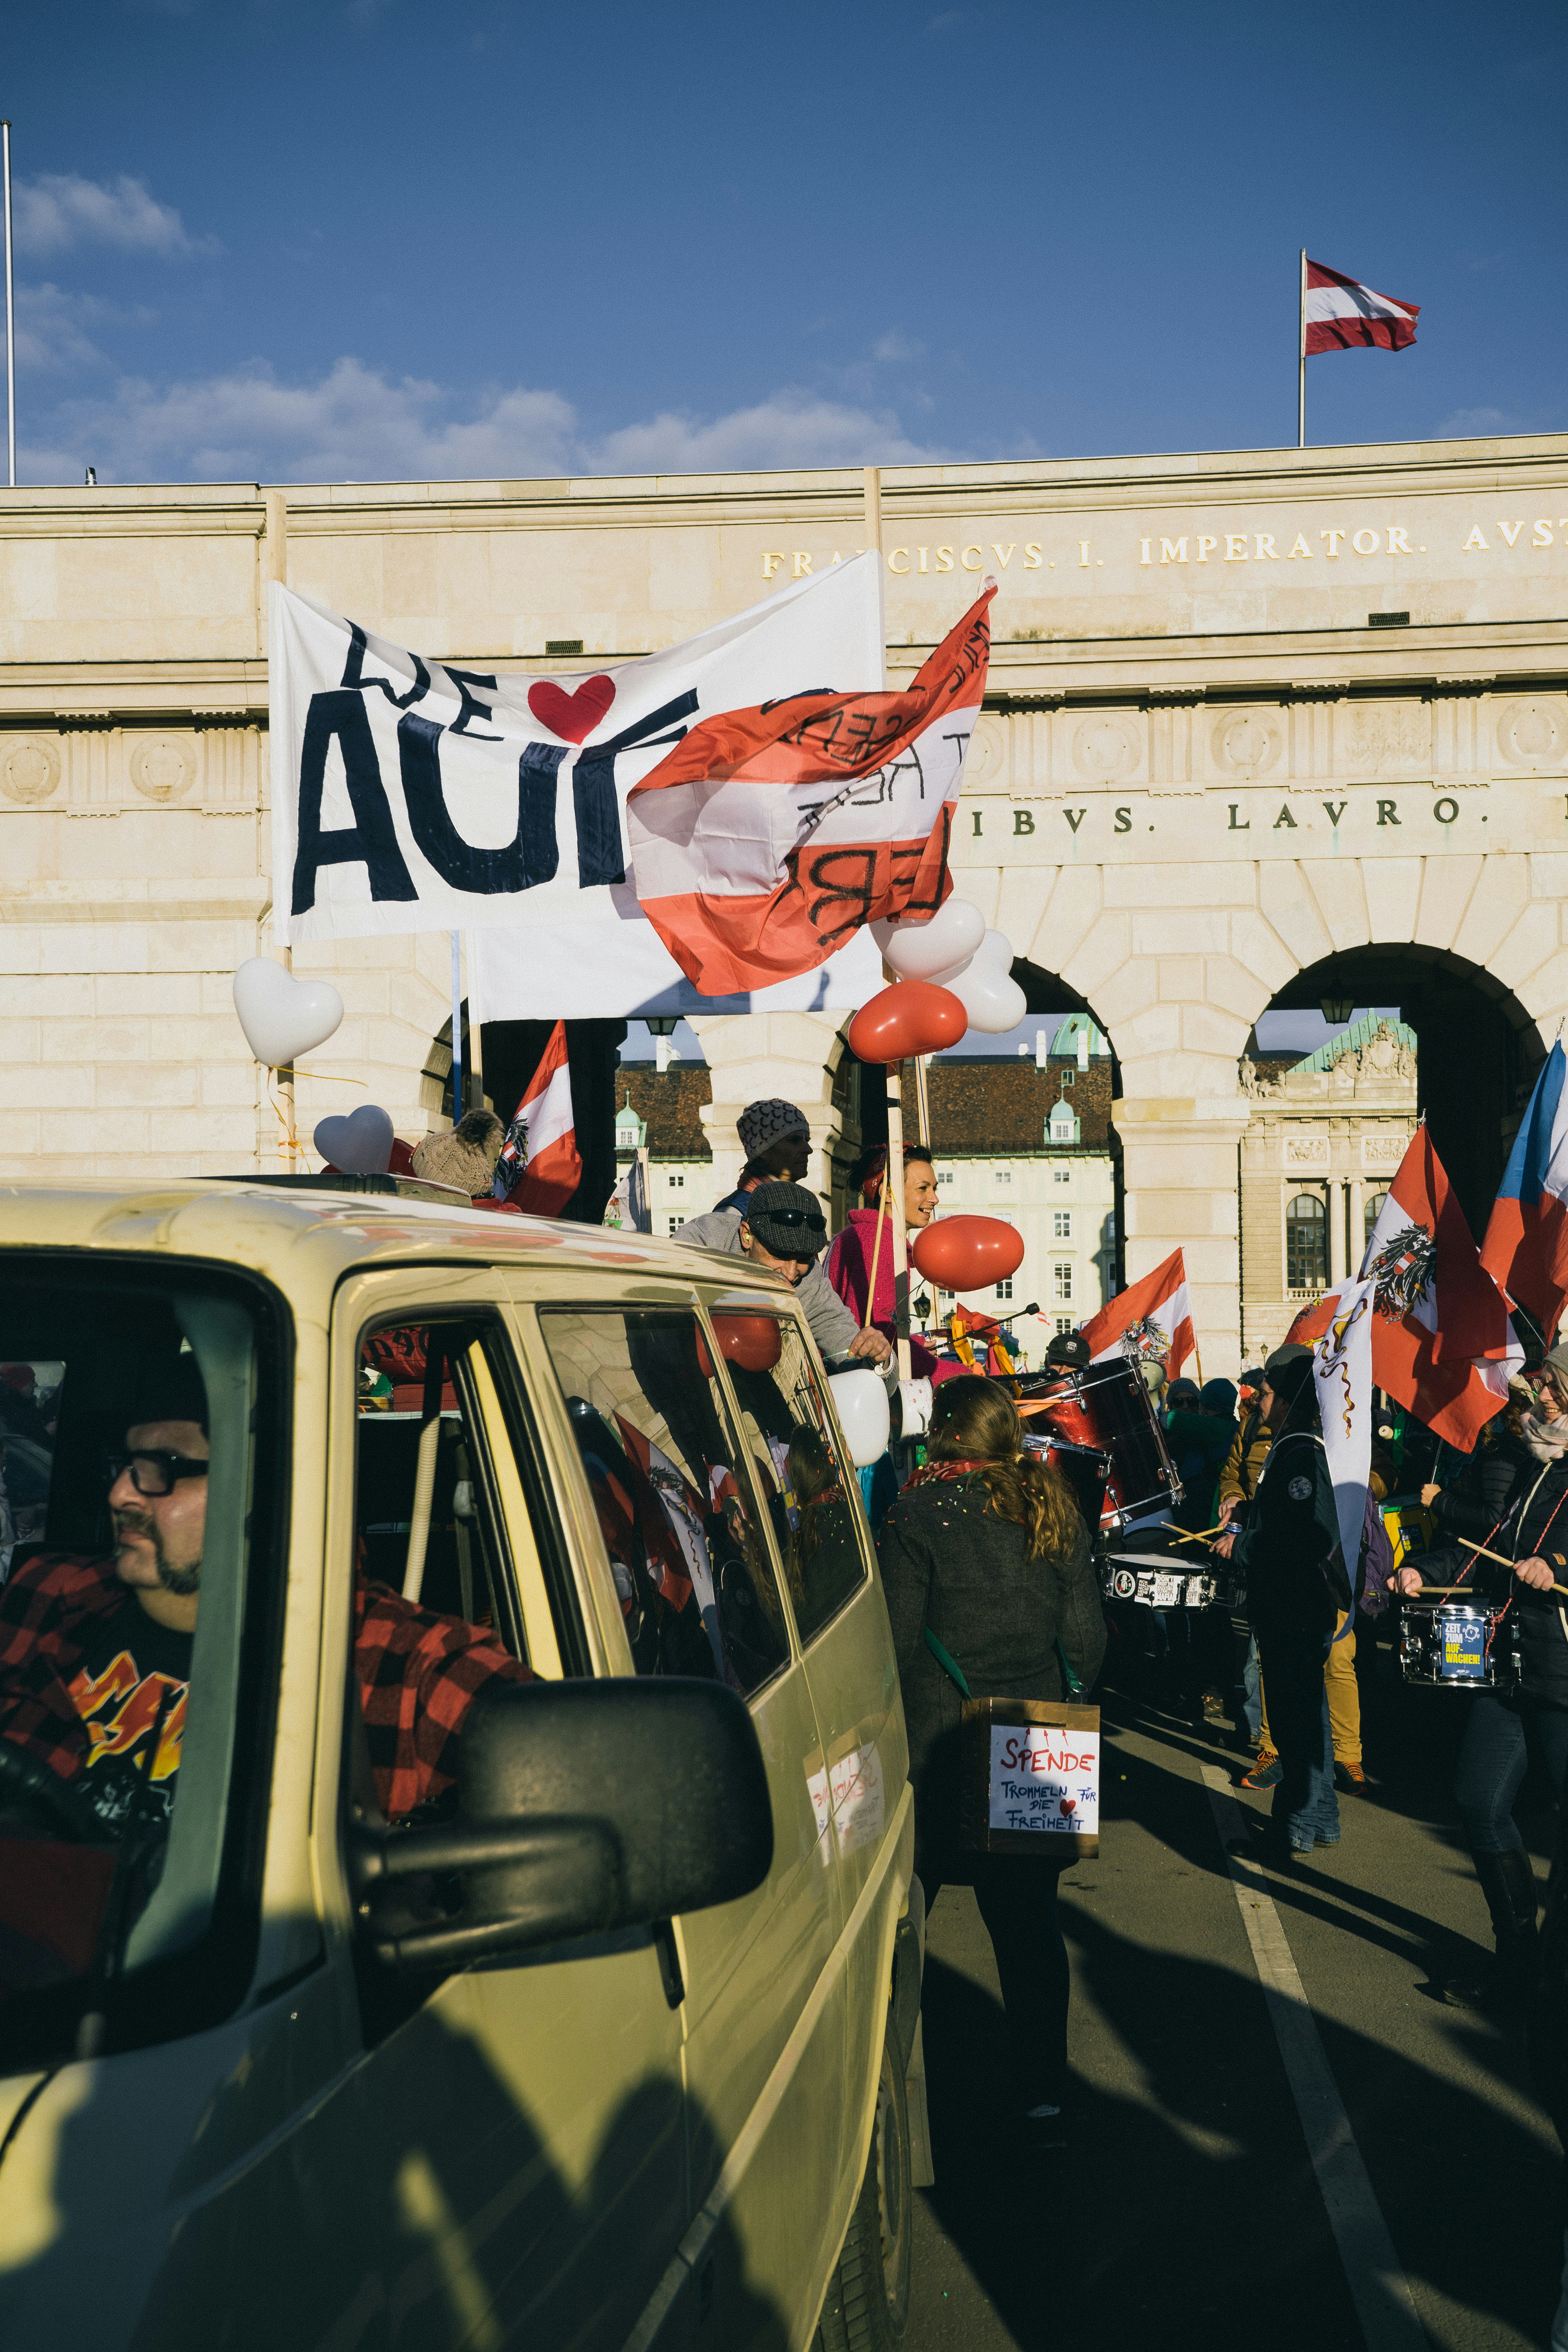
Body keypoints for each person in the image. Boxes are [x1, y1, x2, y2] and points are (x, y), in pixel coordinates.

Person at [0, 1370, 535, 1864]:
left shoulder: (410, 1668)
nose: (120, 1494)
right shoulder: (51, 1593)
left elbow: (572, 1795)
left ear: (269, 1488)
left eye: (162, 1469)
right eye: (124, 1467)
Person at [877, 1375, 1105, 2150]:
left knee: (905, 1921)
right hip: (1031, 1739)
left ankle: (887, 2087)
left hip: (933, 1742)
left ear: (944, 1434)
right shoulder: (1049, 1503)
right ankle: (1043, 2087)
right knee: (1026, 1924)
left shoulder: (915, 1511)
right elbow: (1085, 1641)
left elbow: (896, 1640)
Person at [1394, 1349, 1568, 2008]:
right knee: (1478, 1801)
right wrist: (1426, 1571)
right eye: (1539, 1386)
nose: (1542, 1396)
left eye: (1553, 1387)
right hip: (1513, 1668)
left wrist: (1555, 1562)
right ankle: (1519, 1964)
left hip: (1563, 1675)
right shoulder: (1530, 1463)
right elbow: (1488, 1549)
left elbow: (1549, 1551)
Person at [1218, 1343, 1349, 1860]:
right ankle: (1320, 1819)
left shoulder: (1300, 1450)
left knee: (1295, 1725)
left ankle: (1291, 1828)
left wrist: (1241, 1543)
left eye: (1266, 1393)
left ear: (1288, 1398)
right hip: (1294, 1603)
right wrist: (1251, 1509)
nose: (1259, 1402)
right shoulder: (1294, 1445)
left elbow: (1306, 1537)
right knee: (1308, 1717)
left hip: (1293, 1603)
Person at [680, 1181, 892, 1375]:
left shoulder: (809, 1279)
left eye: (803, 1258)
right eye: (780, 1254)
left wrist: (880, 1360)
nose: (791, 1274)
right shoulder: (700, 1243)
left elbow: (850, 1353)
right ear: (747, 1236)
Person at [823, 1143, 954, 1382]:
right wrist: (950, 1374)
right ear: (887, 1192)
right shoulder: (880, 1241)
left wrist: (912, 1342)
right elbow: (878, 1330)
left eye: (934, 1188)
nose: (934, 1198)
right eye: (923, 1188)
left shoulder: (866, 1235)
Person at [711, 1098, 813, 1215]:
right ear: (764, 1151)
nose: (808, 1150)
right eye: (794, 1140)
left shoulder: (800, 1205)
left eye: (807, 1140)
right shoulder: (734, 1214)